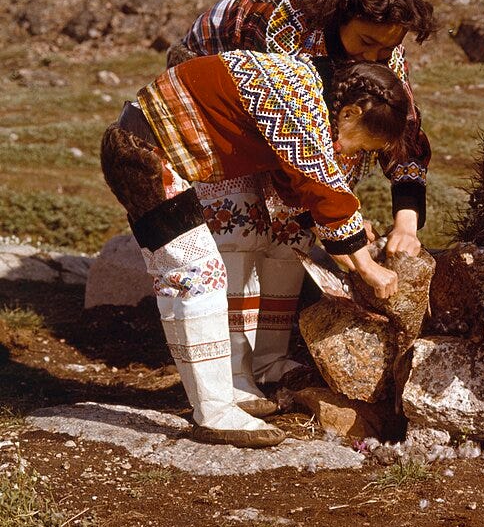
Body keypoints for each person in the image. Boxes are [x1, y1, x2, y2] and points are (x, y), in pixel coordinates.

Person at [100, 56, 409, 448]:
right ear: (349, 113)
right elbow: (321, 182)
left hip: (148, 150)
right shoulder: (302, 98)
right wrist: (369, 269)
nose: (347, 151)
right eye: (359, 142)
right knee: (198, 277)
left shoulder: (308, 88)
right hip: (145, 155)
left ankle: (219, 398)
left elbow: (294, 186)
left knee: (192, 277)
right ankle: (213, 411)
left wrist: (347, 253)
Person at [166, 0, 434, 387]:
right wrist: (343, 225)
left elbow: (398, 129)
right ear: (339, 14)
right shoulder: (279, 24)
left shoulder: (383, 45)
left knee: (292, 233)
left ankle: (269, 362)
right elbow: (295, 149)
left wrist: (406, 222)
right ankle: (232, 371)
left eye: (387, 49)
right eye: (366, 42)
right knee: (241, 228)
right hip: (214, 115)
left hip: (288, 126)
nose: (375, 57)